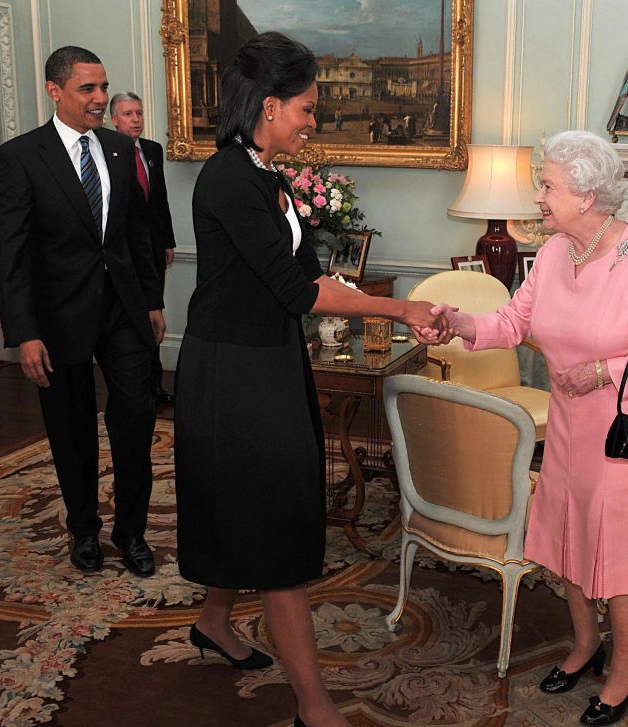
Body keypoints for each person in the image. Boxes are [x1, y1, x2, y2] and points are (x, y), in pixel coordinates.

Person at [173, 32, 440, 727]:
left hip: (265, 361)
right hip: (233, 373)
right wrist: (400, 305)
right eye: (307, 108)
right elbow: (300, 292)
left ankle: (213, 621)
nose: (313, 121)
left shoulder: (264, 172)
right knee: (275, 526)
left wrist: (366, 293)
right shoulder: (230, 179)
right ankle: (314, 705)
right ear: (268, 106)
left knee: (252, 506)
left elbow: (306, 277)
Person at [420, 130, 628, 725]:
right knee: (569, 532)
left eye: (547, 185)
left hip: (625, 426)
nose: (539, 197)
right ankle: (583, 645)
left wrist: (604, 369)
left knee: (619, 548)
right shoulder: (551, 254)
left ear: (587, 193)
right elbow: (516, 320)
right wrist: (460, 323)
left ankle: (626, 668)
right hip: (570, 423)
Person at [0, 46, 164, 578]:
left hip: (124, 311)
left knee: (135, 415)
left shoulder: (119, 147)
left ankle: (131, 532)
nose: (99, 98)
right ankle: (83, 530)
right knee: (71, 429)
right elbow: (10, 252)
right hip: (58, 318)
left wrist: (152, 300)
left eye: (103, 86)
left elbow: (137, 234)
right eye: (87, 88)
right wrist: (23, 333)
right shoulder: (21, 155)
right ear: (54, 91)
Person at [110, 91, 177, 405]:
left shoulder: (152, 150)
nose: (135, 119)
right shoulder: (107, 154)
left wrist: (167, 241)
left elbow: (159, 200)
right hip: (123, 253)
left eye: (138, 113)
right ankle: (134, 385)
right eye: (127, 114)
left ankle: (155, 384)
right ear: (114, 119)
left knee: (155, 314)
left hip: (152, 248)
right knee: (132, 318)